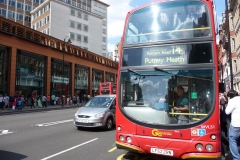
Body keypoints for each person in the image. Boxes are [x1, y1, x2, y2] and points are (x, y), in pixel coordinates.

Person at [225, 90, 240, 160]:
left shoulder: (232, 100)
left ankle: (236, 158)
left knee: (232, 140)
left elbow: (227, 112)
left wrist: (228, 102)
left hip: (236, 124)